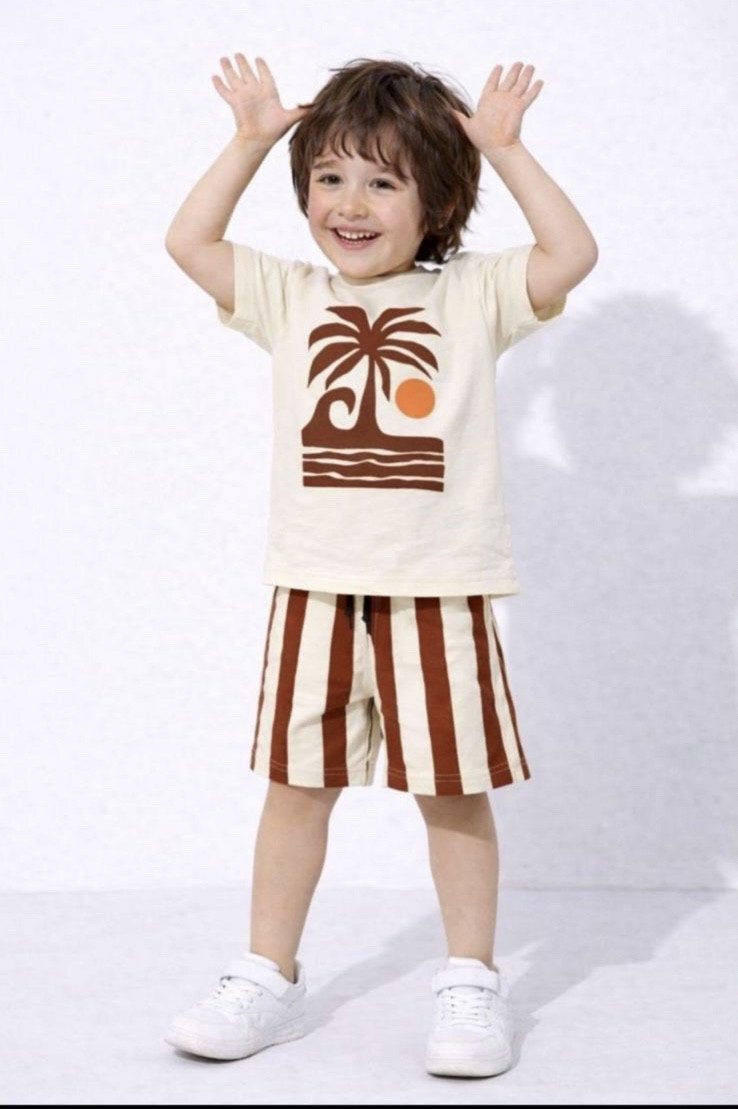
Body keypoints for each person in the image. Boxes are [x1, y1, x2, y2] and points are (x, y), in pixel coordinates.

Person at [162, 53, 597, 1079]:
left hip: (439, 594)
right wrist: (251, 140)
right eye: (330, 177)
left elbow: (571, 252)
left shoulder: (475, 296)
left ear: (436, 202)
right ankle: (267, 973)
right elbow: (189, 241)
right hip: (313, 587)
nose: (349, 204)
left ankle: (471, 978)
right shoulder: (289, 294)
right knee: (296, 786)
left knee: (452, 791)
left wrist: (505, 150)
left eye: (383, 180)